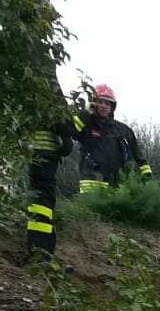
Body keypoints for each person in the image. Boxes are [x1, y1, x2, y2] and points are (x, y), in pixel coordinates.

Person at [73, 84, 152, 193]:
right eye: (100, 102)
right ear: (93, 104)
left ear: (112, 107)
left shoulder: (123, 130)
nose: (104, 106)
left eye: (107, 103)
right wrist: (85, 113)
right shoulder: (86, 125)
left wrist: (146, 174)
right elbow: (71, 132)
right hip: (92, 183)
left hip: (118, 185)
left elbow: (137, 153)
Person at [25, 86, 75, 260]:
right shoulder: (45, 80)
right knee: (42, 202)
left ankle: (40, 251)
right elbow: (59, 114)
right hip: (45, 154)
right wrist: (66, 138)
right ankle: (40, 253)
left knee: (38, 201)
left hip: (31, 151)